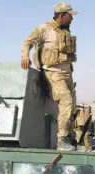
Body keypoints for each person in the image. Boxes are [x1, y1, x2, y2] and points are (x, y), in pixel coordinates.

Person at [21, 2, 78, 151]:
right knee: (66, 101)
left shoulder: (65, 31)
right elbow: (27, 42)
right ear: (62, 16)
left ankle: (71, 138)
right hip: (53, 74)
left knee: (71, 105)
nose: (72, 19)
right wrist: (25, 56)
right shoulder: (43, 29)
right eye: (70, 16)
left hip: (67, 73)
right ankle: (62, 140)